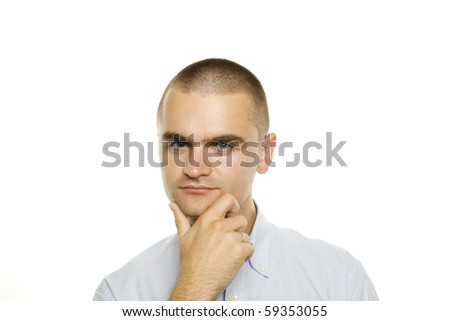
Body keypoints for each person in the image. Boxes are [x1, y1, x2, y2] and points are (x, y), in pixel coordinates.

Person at [93, 58, 378, 301]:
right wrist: (191, 291)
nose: (194, 169)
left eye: (223, 146)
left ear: (264, 154)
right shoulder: (118, 293)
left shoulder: (340, 281)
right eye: (179, 144)